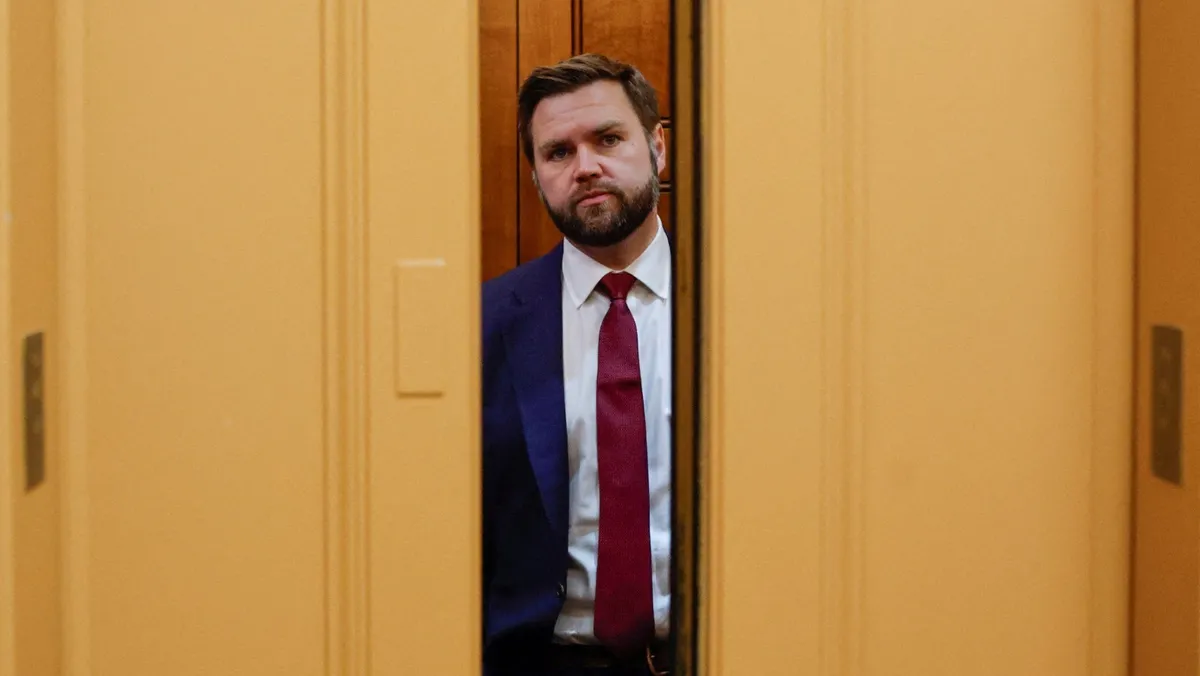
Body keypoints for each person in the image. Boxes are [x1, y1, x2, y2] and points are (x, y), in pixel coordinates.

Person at [481, 53, 672, 675]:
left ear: (658, 147)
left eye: (608, 139)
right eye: (558, 152)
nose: (585, 167)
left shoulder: (742, 308)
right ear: (536, 176)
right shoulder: (481, 326)